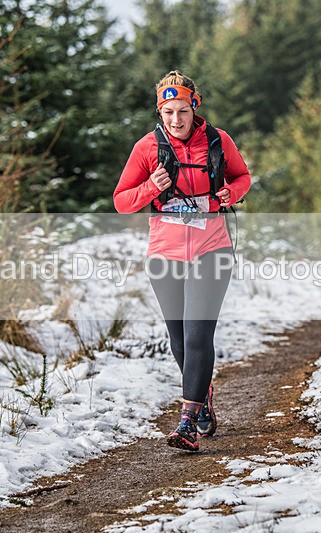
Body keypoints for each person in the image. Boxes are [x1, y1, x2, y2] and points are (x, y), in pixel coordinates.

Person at [113, 70, 251, 452]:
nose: (176, 120)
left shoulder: (218, 140)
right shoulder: (147, 148)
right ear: (160, 112)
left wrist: (228, 194)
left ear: (195, 106)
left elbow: (242, 177)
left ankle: (188, 419)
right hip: (165, 253)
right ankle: (201, 393)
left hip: (212, 247)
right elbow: (122, 201)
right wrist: (150, 187)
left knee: (197, 334)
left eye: (183, 111)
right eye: (168, 112)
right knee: (179, 339)